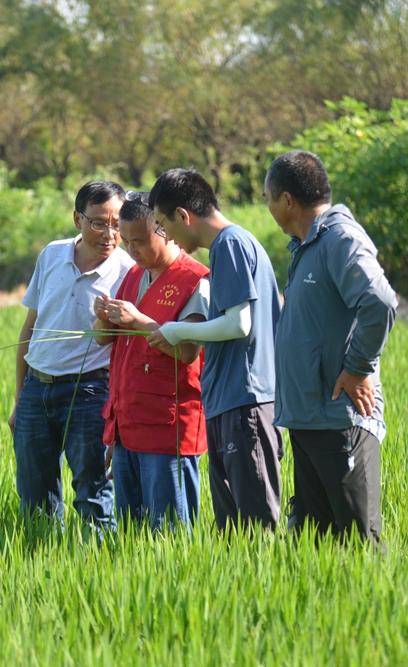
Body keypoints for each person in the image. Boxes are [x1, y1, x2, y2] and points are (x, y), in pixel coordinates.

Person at [263, 150, 397, 549]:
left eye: (267, 199)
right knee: (315, 548)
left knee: (359, 544)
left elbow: (380, 302)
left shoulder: (339, 237)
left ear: (287, 200)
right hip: (308, 419)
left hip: (339, 420)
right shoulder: (306, 245)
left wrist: (357, 368)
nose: (267, 208)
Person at [146, 168, 285, 532]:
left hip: (246, 403)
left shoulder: (230, 244)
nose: (167, 237)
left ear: (183, 216)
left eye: (163, 226)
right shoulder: (231, 245)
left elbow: (240, 324)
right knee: (232, 532)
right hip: (230, 401)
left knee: (254, 529)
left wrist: (176, 330)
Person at [9, 181, 135, 531]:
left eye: (117, 223)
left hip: (90, 393)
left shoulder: (128, 270)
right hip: (37, 389)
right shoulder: (52, 253)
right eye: (98, 222)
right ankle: (38, 564)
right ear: (77, 218)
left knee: (93, 493)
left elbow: (126, 353)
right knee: (34, 496)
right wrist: (20, 401)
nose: (109, 233)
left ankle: (99, 570)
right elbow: (29, 330)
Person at [92, 195, 211, 530]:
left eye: (140, 241)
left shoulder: (194, 280)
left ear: (165, 230)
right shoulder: (133, 275)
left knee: (169, 537)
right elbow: (106, 339)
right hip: (127, 427)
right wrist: (104, 318)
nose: (132, 250)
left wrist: (138, 320)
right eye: (126, 242)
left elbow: (187, 351)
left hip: (168, 431)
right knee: (132, 535)